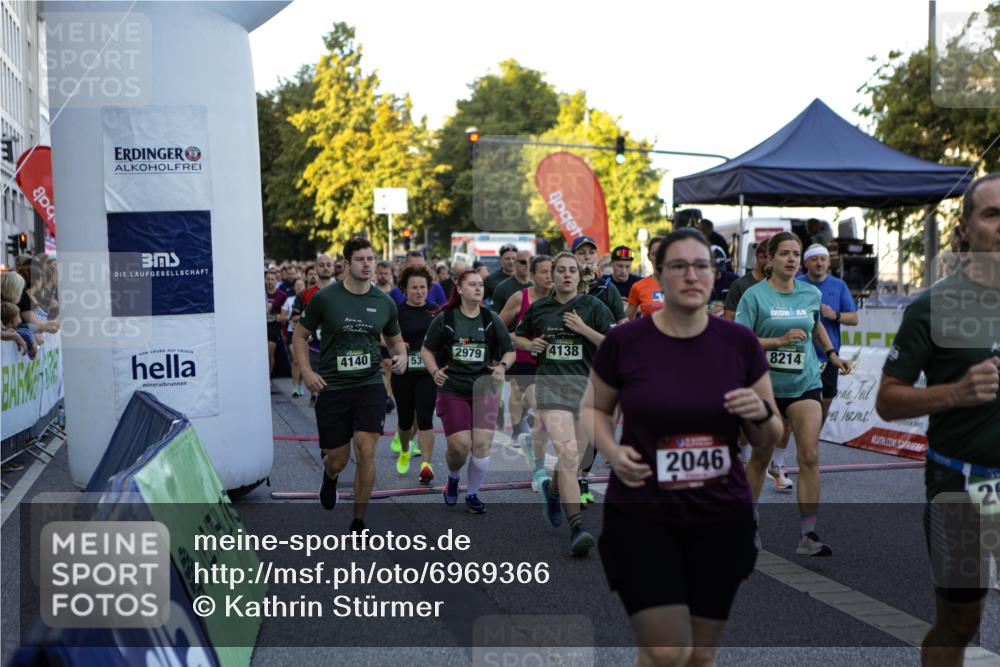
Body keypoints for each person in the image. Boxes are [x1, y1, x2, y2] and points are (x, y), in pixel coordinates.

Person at [583, 228, 782, 664]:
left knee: (700, 655)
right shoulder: (625, 343)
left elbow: (770, 436)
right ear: (658, 275)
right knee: (666, 650)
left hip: (719, 516)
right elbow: (594, 410)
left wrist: (761, 413)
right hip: (643, 514)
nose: (692, 275)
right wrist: (612, 452)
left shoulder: (740, 344)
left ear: (714, 275)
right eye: (679, 266)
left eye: (701, 266)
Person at [875, 174, 1000, 667]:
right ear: (965, 228)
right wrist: (956, 392)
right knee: (960, 623)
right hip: (963, 485)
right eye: (992, 214)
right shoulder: (934, 306)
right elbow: (887, 401)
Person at [736, 231, 851, 556]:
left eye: (796, 254)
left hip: (805, 382)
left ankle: (808, 535)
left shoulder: (810, 293)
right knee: (760, 458)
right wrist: (778, 341)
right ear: (769, 259)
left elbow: (815, 325)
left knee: (810, 456)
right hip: (765, 386)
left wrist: (831, 354)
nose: (791, 259)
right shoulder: (754, 296)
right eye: (784, 253)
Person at [294, 237, 407, 533]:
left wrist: (401, 356)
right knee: (338, 459)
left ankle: (359, 520)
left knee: (366, 450)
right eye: (360, 259)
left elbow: (396, 340)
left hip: (369, 384)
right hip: (333, 386)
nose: (367, 264)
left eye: (370, 259)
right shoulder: (325, 298)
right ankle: (329, 476)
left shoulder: (384, 302)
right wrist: (306, 371)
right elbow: (299, 336)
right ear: (346, 264)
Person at [513, 252, 614, 555]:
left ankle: (553, 490)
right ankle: (577, 528)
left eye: (572, 270)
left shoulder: (594, 307)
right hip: (551, 388)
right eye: (561, 270)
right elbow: (517, 336)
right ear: (552, 275)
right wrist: (530, 344)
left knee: (578, 457)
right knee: (568, 453)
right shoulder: (539, 308)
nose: (567, 275)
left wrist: (583, 329)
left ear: (579, 275)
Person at [420, 269, 516, 514]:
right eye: (472, 284)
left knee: (482, 444)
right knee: (460, 446)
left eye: (480, 284)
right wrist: (434, 371)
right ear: (460, 289)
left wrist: (502, 367)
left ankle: (472, 494)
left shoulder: (490, 319)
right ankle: (453, 478)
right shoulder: (446, 318)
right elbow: (426, 350)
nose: (478, 288)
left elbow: (510, 350)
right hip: (453, 388)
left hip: (484, 388)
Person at [499, 255, 554, 492]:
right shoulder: (520, 298)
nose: (549, 276)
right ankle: (539, 473)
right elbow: (498, 328)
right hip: (525, 362)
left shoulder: (563, 299)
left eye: (552, 271)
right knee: (541, 410)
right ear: (532, 275)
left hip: (553, 365)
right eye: (543, 272)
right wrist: (521, 342)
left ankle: (530, 439)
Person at [798, 244, 858, 424]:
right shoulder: (797, 284)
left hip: (829, 356)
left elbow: (854, 318)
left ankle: (813, 436)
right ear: (806, 262)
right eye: (814, 259)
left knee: (825, 404)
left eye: (823, 259)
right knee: (797, 404)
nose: (819, 263)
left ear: (828, 263)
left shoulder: (839, 285)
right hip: (801, 353)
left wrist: (835, 315)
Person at [389, 266, 440, 482]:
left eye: (422, 287)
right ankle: (404, 449)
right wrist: (398, 345)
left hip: (427, 372)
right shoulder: (397, 312)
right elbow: (384, 336)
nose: (419, 292)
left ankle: (426, 465)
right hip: (404, 372)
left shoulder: (436, 311)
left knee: (426, 417)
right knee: (405, 419)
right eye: (414, 288)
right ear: (405, 289)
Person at [293, 255, 335, 407]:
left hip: (336, 346)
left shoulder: (342, 291)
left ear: (333, 267)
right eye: (322, 265)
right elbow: (297, 318)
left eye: (329, 264)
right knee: (318, 382)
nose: (326, 268)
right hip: (314, 346)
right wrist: (308, 332)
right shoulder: (305, 294)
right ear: (316, 268)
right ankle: (316, 396)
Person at [573, 236, 627, 324]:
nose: (587, 257)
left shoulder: (607, 288)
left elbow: (623, 323)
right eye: (581, 253)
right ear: (572, 257)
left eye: (592, 252)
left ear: (597, 256)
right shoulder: (565, 287)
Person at [723, 242, 769, 321]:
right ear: (760, 257)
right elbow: (729, 319)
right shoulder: (740, 285)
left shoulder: (780, 284)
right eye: (772, 259)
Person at [626, 236, 665, 318]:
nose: (659, 258)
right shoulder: (638, 287)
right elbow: (627, 319)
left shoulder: (681, 284)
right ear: (649, 257)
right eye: (655, 254)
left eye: (662, 253)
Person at [283, 277, 307, 397]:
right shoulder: (289, 300)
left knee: (302, 360)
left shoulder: (309, 298)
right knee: (295, 360)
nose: (299, 287)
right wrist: (290, 317)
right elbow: (283, 316)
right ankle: (295, 387)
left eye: (301, 285)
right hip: (292, 332)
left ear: (304, 286)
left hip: (305, 333)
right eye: (297, 285)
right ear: (293, 287)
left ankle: (300, 384)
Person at [264, 270, 288, 383]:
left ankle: (268, 377)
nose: (270, 281)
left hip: (274, 326)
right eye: (268, 279)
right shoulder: (260, 292)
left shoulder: (282, 295)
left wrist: (280, 317)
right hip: (261, 326)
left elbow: (286, 312)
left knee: (269, 354)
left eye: (272, 279)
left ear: (276, 281)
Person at [490, 249, 533, 313]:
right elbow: (494, 314)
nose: (527, 265)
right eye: (523, 262)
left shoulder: (536, 286)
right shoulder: (502, 288)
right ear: (515, 263)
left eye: (530, 262)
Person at [708, 245, 738, 317]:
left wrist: (725, 310)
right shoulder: (699, 282)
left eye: (720, 269)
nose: (718, 273)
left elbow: (742, 306)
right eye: (714, 270)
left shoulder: (733, 280)